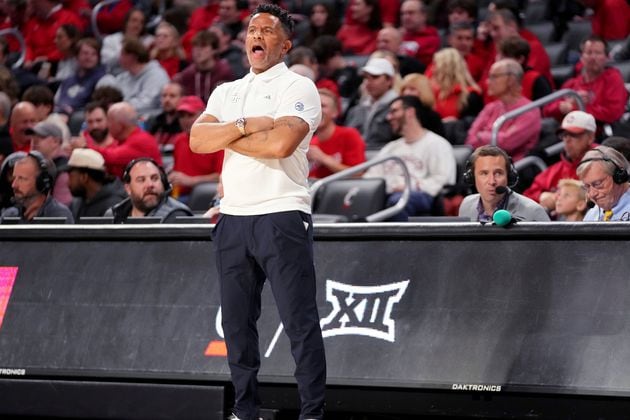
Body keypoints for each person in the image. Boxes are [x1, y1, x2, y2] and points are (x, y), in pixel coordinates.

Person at [189, 4, 326, 420]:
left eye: (267, 30)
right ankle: (245, 410)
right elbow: (196, 139)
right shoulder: (226, 91)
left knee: (298, 323)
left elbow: (280, 146)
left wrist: (226, 136)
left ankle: (312, 414)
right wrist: (249, 125)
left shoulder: (297, 87)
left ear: (285, 44)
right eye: (252, 29)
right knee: (236, 326)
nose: (257, 34)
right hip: (232, 218)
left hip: (281, 213)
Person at [363, 95, 456, 220]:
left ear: (410, 112)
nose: (388, 117)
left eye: (394, 111)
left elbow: (443, 180)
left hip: (420, 196)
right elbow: (371, 177)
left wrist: (409, 186)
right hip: (387, 194)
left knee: (399, 200)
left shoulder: (437, 144)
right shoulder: (390, 148)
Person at [543, 35, 628, 136]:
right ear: (581, 57)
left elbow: (613, 113)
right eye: (589, 52)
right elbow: (547, 110)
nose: (593, 57)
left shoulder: (613, 78)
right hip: (566, 132)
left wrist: (576, 107)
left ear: (606, 57)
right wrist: (562, 107)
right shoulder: (572, 83)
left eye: (598, 53)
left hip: (598, 134)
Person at [465, 58, 541, 162]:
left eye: (494, 77)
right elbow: (470, 139)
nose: (488, 82)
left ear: (511, 80)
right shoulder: (490, 107)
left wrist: (481, 136)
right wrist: (493, 138)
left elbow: (507, 143)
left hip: (513, 168)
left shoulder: (529, 110)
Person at [523, 110, 597, 212]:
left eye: (574, 135)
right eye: (564, 135)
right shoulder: (555, 170)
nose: (567, 140)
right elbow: (526, 197)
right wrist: (541, 196)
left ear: (590, 137)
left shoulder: (603, 166)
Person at [458, 145, 550, 222]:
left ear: (509, 176)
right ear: (472, 177)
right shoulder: (466, 205)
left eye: (498, 173)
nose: (492, 181)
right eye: (484, 173)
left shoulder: (533, 212)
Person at [77, 102, 162, 178]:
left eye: (110, 121)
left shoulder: (141, 140)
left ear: (120, 124)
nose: (108, 125)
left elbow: (111, 157)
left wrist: (85, 146)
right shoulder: (122, 141)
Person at [97, 38, 170, 119]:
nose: (119, 58)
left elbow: (147, 102)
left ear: (133, 56)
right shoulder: (125, 76)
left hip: (148, 117)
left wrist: (118, 106)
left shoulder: (156, 75)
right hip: (123, 115)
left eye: (122, 54)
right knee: (106, 80)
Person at [106, 157, 193, 223]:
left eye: (154, 178)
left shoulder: (176, 217)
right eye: (141, 180)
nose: (150, 185)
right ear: (128, 189)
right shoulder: (113, 216)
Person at [168, 96, 223, 199]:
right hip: (179, 196)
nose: (185, 120)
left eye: (190, 115)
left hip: (205, 197)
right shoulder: (179, 140)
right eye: (182, 116)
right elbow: (178, 172)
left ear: (203, 115)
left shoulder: (216, 140)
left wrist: (191, 180)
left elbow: (221, 176)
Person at [1, 151, 74, 223]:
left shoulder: (59, 217)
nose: (14, 185)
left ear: (42, 183)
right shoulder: (9, 217)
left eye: (22, 179)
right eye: (14, 178)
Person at [308, 88, 365, 179]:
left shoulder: (349, 135)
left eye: (323, 106)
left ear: (335, 112)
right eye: (314, 106)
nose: (317, 111)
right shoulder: (310, 143)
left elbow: (358, 173)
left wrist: (323, 158)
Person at [345, 57, 399, 148]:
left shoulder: (399, 108)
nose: (368, 82)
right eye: (365, 77)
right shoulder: (356, 109)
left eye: (375, 77)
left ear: (390, 80)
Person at [173, 30, 234, 104]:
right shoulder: (188, 74)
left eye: (203, 46)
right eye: (195, 46)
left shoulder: (224, 72)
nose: (198, 51)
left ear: (214, 50)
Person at [64, 148, 126, 219]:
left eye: (71, 176)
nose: (68, 182)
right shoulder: (77, 203)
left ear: (84, 177)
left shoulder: (113, 206)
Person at [577, 146, 630, 221]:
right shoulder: (591, 216)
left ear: (619, 177)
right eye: (587, 187)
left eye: (598, 184)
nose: (592, 194)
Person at [27, 121, 71, 206]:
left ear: (56, 141)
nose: (34, 141)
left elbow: (61, 213)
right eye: (33, 136)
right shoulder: (35, 167)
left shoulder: (64, 170)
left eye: (41, 137)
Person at [399, 0, 441, 67]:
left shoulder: (432, 39)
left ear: (423, 15)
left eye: (411, 13)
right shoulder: (398, 37)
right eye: (403, 14)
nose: (406, 17)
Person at [145, 82, 184, 148]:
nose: (167, 100)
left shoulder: (185, 123)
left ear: (182, 98)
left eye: (172, 96)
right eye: (164, 96)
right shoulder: (153, 121)